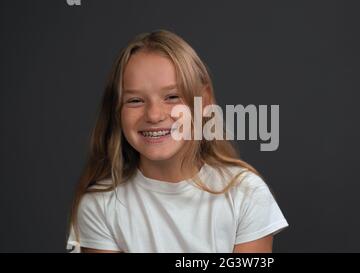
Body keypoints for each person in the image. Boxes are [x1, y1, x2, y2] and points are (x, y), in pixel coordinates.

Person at [66, 29, 288, 253]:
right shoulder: (101, 206)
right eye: (135, 100)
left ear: (205, 100)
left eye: (172, 97)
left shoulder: (246, 194)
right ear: (117, 111)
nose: (154, 115)